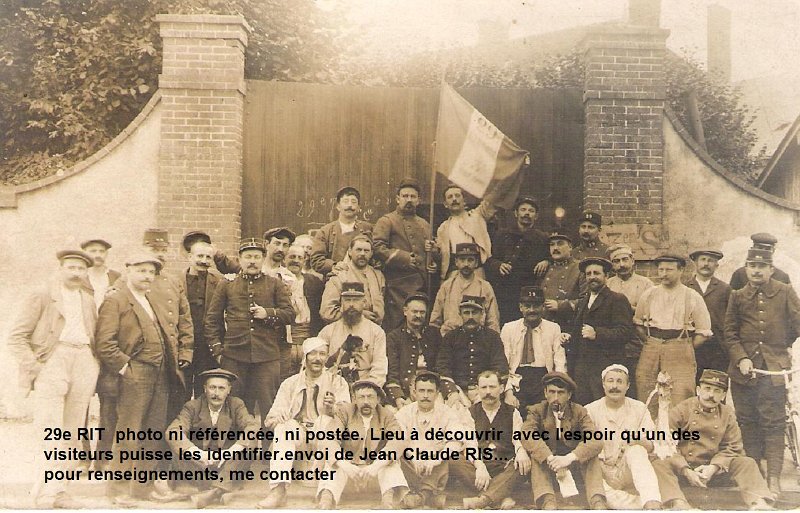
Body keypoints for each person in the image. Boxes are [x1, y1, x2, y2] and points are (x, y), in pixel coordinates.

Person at [95, 252, 193, 505]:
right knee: (129, 433)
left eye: (151, 272)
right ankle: (118, 491)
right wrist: (126, 368)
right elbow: (105, 343)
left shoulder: (149, 299)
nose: (147, 276)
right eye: (141, 271)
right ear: (128, 269)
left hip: (160, 374)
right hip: (135, 375)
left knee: (152, 432)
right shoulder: (116, 300)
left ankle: (143, 488)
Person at [8, 250, 99, 508]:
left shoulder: (88, 299)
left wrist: (93, 364)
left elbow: (93, 333)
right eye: (71, 267)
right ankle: (43, 493)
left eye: (81, 269)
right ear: (60, 269)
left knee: (72, 432)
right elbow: (16, 337)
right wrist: (36, 368)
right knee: (50, 429)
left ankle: (59, 491)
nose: (76, 273)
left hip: (83, 359)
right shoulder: (43, 295)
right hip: (53, 360)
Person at [724, 247, 800, 495]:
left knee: (774, 423)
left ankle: (774, 479)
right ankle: (754, 476)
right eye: (751, 266)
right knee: (747, 421)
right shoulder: (737, 295)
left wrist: (780, 348)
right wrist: (742, 358)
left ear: (771, 269)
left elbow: (797, 324)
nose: (756, 271)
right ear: (746, 268)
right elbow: (730, 333)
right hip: (743, 372)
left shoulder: (785, 291)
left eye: (761, 266)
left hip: (773, 372)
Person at [651, 370, 774, 510]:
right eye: (707, 389)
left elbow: (733, 447)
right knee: (659, 463)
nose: (711, 395)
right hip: (683, 470)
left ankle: (759, 502)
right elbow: (665, 444)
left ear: (723, 396)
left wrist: (713, 468)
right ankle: (678, 503)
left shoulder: (727, 414)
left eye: (717, 391)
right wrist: (685, 469)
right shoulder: (681, 410)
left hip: (713, 471)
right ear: (698, 390)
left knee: (747, 462)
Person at [204, 238, 294, 427]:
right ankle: (237, 453)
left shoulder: (275, 284)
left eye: (256, 257)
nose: (252, 261)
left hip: (267, 357)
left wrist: (268, 314)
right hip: (234, 357)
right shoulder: (227, 285)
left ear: (263, 259)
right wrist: (219, 352)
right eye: (247, 257)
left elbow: (290, 314)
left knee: (269, 410)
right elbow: (212, 320)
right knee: (234, 408)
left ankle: (269, 454)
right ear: (240, 259)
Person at [258, 337, 351, 508]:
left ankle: (326, 492)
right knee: (283, 429)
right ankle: (278, 490)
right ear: (305, 357)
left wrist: (333, 409)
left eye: (322, 354)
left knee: (327, 424)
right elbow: (270, 418)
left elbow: (347, 418)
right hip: (300, 435)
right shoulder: (290, 383)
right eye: (313, 354)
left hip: (324, 436)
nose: (318, 358)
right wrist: (279, 419)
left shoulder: (337, 382)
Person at [166, 368, 259, 509]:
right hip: (200, 463)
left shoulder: (236, 405)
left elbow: (252, 427)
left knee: (247, 449)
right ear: (205, 389)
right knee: (178, 452)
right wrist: (197, 453)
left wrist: (231, 451)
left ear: (229, 390)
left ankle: (213, 492)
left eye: (221, 388)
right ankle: (222, 489)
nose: (216, 393)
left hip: (226, 463)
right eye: (212, 387)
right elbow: (173, 431)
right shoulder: (192, 406)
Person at [633, 254, 712, 409]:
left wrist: (683, 346)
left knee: (681, 396)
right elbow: (638, 324)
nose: (663, 273)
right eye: (661, 269)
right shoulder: (649, 294)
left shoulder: (692, 296)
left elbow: (703, 333)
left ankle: (677, 432)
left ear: (681, 270)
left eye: (669, 269)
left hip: (680, 349)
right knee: (646, 392)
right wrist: (652, 342)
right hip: (651, 348)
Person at [519, 372, 607, 510]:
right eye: (552, 392)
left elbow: (596, 440)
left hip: (573, 467)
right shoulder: (537, 410)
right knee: (537, 455)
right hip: (548, 469)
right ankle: (548, 502)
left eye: (560, 393)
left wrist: (569, 458)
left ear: (569, 395)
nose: (555, 398)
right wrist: (549, 458)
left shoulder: (579, 411)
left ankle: (597, 501)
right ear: (545, 393)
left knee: (591, 456)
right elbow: (527, 434)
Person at [318, 380, 408, 509]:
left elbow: (398, 440)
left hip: (373, 471)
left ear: (378, 399)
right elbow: (329, 438)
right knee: (332, 464)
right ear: (354, 399)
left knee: (391, 464)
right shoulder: (345, 412)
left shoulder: (386, 415)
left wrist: (378, 464)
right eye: (361, 397)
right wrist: (343, 464)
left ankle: (388, 504)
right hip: (348, 471)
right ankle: (326, 503)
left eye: (370, 397)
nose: (366, 401)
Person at [584, 365, 663, 510]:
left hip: (627, 472)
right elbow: (584, 447)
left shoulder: (639, 408)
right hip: (601, 472)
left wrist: (640, 440)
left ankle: (651, 503)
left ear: (627, 386)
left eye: (620, 382)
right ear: (603, 384)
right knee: (592, 468)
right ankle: (640, 504)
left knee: (637, 451)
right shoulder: (590, 410)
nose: (614, 386)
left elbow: (654, 447)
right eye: (610, 381)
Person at [449, 370, 531, 510]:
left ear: (501, 388)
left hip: (504, 467)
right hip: (477, 469)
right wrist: (480, 466)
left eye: (492, 387)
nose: (488, 392)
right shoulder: (469, 413)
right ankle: (500, 495)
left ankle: (484, 499)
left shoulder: (512, 412)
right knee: (452, 458)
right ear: (478, 389)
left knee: (525, 461)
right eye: (484, 387)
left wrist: (521, 451)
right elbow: (470, 444)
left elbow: (518, 439)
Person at [394, 371, 472, 509]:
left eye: (430, 391)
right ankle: (430, 496)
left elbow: (456, 440)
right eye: (421, 391)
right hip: (413, 467)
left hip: (436, 467)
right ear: (414, 392)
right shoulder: (404, 413)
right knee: (397, 454)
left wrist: (436, 458)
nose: (425, 395)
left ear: (437, 393)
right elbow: (398, 440)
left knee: (449, 454)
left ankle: (421, 496)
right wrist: (413, 456)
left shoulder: (447, 413)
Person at [564, 257, 634, 405]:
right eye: (588, 274)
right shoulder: (583, 301)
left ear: (606, 276)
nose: (592, 277)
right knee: (583, 408)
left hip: (605, 366)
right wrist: (569, 336)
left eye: (596, 273)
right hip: (582, 367)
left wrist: (597, 333)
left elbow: (626, 332)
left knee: (604, 407)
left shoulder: (617, 299)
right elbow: (579, 330)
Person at [373, 177, 437, 330]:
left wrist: (433, 261)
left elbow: (429, 253)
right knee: (398, 327)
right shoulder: (387, 221)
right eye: (405, 196)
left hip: (421, 285)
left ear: (418, 200)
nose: (409, 200)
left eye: (413, 197)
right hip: (396, 286)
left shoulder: (425, 224)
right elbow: (377, 247)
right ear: (397, 199)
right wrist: (404, 258)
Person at [501, 286, 567, 414]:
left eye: (536, 306)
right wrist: (508, 391)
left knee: (544, 415)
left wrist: (557, 389)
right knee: (516, 414)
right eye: (527, 306)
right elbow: (503, 364)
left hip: (543, 378)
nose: (531, 310)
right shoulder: (509, 328)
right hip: (517, 378)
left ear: (543, 307)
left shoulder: (553, 328)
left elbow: (560, 362)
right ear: (520, 307)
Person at [485, 196, 551, 324]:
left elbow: (552, 257)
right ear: (516, 213)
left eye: (531, 211)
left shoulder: (542, 238)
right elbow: (489, 260)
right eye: (523, 209)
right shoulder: (501, 235)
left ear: (536, 216)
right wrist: (498, 265)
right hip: (505, 293)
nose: (527, 213)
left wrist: (546, 261)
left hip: (528, 294)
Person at [435, 295, 509, 406]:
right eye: (466, 313)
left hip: (483, 389)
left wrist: (484, 390)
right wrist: (452, 392)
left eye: (474, 313)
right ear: (460, 314)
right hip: (458, 389)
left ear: (482, 314)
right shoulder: (451, 337)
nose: (470, 317)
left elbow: (500, 367)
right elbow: (443, 367)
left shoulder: (492, 337)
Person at [606, 243, 653, 397]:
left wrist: (626, 309)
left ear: (632, 260)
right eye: (616, 261)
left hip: (637, 341)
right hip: (614, 343)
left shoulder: (646, 284)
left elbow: (650, 312)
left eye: (625, 260)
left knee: (636, 385)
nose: (622, 265)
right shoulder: (608, 284)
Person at [318, 282, 388, 386]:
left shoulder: (376, 332)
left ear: (364, 303)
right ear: (341, 303)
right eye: (347, 300)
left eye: (356, 300)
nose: (351, 305)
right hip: (334, 386)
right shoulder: (327, 332)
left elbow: (380, 367)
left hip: (366, 387)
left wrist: (368, 388)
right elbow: (320, 365)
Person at [181, 231, 222, 398]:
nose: (204, 261)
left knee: (203, 390)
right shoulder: (176, 281)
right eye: (200, 256)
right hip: (183, 345)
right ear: (189, 257)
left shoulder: (219, 281)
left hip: (207, 346)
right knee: (180, 389)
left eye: (208, 257)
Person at [430, 242, 500, 336]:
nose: (466, 264)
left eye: (470, 260)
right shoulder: (446, 287)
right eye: (462, 260)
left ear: (476, 263)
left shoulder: (485, 287)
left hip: (477, 341)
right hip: (450, 340)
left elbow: (493, 322)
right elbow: (435, 320)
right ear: (456, 262)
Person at [384, 293, 441, 408]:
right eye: (414, 312)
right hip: (406, 391)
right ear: (405, 311)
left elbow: (440, 366)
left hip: (431, 388)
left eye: (422, 312)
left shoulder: (434, 334)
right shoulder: (394, 337)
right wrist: (398, 397)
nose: (418, 315)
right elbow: (392, 372)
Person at [320, 234, 385, 324]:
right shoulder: (339, 275)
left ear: (371, 254)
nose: (362, 254)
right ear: (350, 252)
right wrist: (360, 314)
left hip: (375, 331)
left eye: (366, 251)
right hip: (348, 329)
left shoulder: (378, 276)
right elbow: (327, 312)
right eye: (358, 250)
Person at [310, 186, 373, 277]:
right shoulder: (325, 231)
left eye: (353, 202)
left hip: (363, 278)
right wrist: (334, 265)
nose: (350, 205)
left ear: (359, 207)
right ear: (338, 206)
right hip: (334, 279)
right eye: (345, 201)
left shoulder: (368, 228)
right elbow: (316, 260)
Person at [435, 184, 496, 280]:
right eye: (450, 197)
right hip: (454, 274)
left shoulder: (477, 216)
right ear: (445, 204)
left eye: (457, 195)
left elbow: (493, 199)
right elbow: (440, 256)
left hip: (476, 271)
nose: (454, 199)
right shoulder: (442, 228)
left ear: (464, 201)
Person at [687, 249, 731, 379]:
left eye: (710, 261)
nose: (706, 264)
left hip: (718, 349)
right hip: (692, 347)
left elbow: (731, 319)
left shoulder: (725, 289)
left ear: (716, 265)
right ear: (695, 263)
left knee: (717, 386)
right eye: (703, 260)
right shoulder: (686, 288)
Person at [283, 244, 324, 379]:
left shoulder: (314, 282)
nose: (295, 260)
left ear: (304, 260)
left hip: (307, 337)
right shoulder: (276, 280)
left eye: (299, 258)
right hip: (284, 341)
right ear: (284, 259)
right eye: (292, 257)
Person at [541, 231, 583, 331]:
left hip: (567, 327)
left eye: (560, 243)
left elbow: (587, 299)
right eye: (552, 245)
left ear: (570, 247)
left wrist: (561, 306)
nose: (555, 248)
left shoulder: (580, 268)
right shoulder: (544, 268)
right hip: (544, 325)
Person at [81, 238, 121, 309]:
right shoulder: (79, 277)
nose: (98, 255)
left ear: (106, 254)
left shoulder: (116, 277)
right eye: (93, 251)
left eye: (102, 251)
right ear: (84, 253)